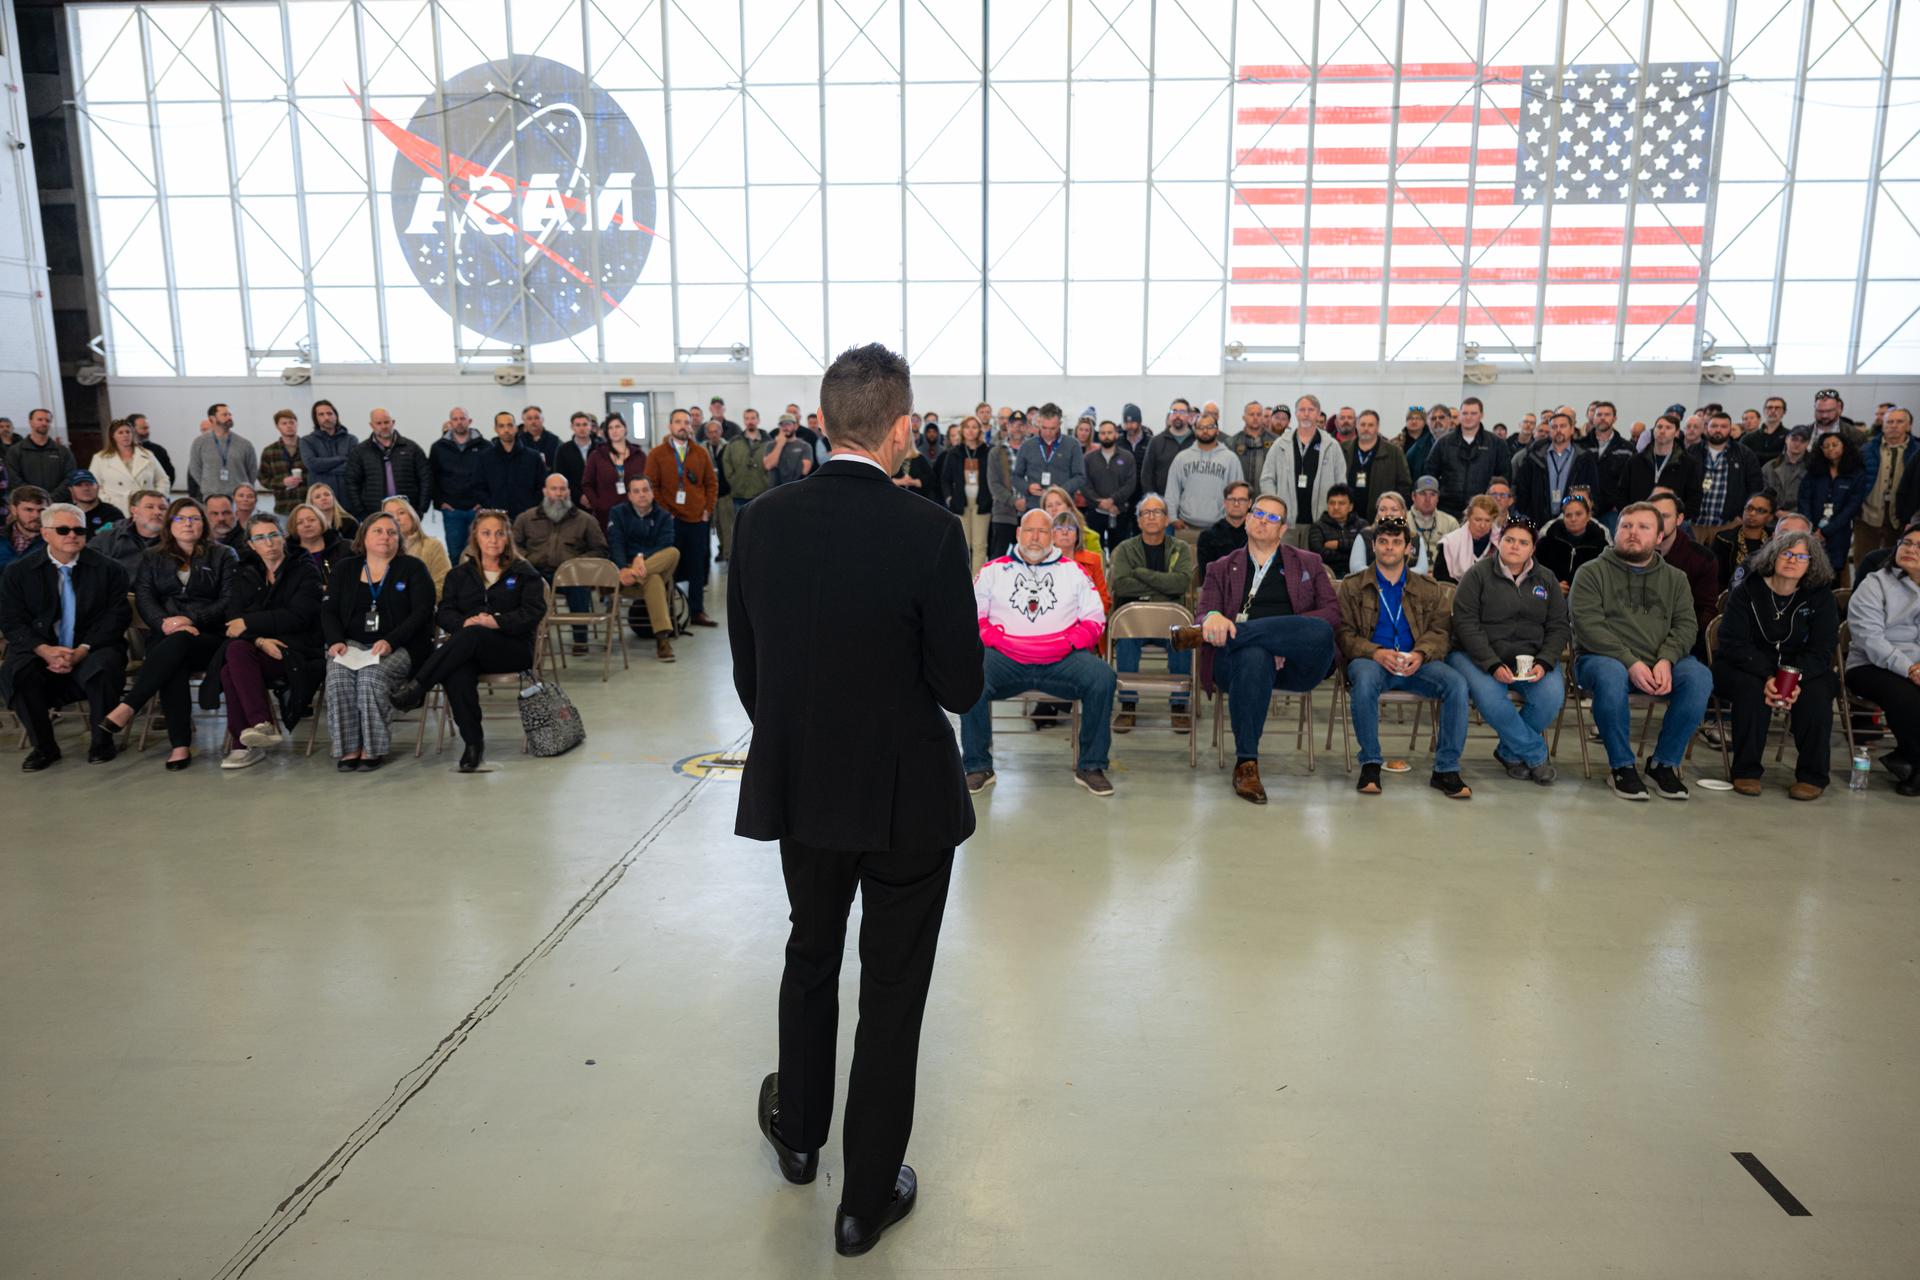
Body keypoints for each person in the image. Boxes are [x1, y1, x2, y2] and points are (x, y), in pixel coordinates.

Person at [725, 344, 982, 1258]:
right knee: (893, 990)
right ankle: (864, 1203)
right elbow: (959, 685)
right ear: (902, 428)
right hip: (907, 800)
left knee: (810, 950)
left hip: (803, 787)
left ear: (822, 422)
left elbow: (750, 673)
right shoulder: (930, 531)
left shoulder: (759, 522)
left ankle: (800, 1137)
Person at [1174, 494, 1338, 803]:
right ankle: (1246, 764)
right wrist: (1212, 617)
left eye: (1272, 518)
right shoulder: (1220, 568)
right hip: (1238, 665)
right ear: (1247, 519)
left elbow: (1331, 613)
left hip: (1296, 663)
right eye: (1258, 513)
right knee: (1255, 655)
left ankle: (1242, 635)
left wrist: (1283, 643)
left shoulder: (1309, 563)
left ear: (1283, 528)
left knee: (1320, 630)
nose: (1263, 520)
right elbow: (1205, 612)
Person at [959, 508, 1116, 797]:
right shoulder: (993, 570)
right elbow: (970, 616)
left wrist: (1070, 643)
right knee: (969, 674)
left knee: (1102, 677)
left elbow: (1095, 618)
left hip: (1063, 659)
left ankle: (1091, 765)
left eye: (1042, 531)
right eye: (1029, 530)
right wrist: (997, 639)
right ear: (1018, 533)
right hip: (1005, 658)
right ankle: (978, 765)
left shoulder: (1074, 571)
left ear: (1052, 536)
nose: (1035, 537)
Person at [1569, 502, 1710, 801]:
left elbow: (1686, 626)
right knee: (1611, 674)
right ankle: (1621, 766)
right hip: (1601, 660)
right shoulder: (1591, 572)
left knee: (1699, 677)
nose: (1633, 532)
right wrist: (1630, 662)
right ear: (1616, 532)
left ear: (1659, 537)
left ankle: (1663, 764)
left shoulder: (1676, 579)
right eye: (1626, 526)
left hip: (1660, 662)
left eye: (1643, 527)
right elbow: (1589, 627)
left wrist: (1667, 659)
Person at [388, 511, 548, 772]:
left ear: (508, 537)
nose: (493, 539)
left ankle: (418, 687)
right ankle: (473, 744)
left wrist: (496, 622)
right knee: (457, 671)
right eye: (486, 533)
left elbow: (533, 612)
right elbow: (444, 613)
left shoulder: (524, 572)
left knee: (472, 636)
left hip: (513, 649)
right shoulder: (459, 575)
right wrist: (464, 623)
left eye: (499, 533)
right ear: (476, 537)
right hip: (468, 649)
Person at [1335, 516, 1472, 798]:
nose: (1389, 547)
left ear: (1408, 548)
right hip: (1372, 661)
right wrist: (1375, 652)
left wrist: (1421, 654)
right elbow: (1344, 634)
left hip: (1417, 663)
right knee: (1363, 679)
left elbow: (1441, 631)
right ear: (1373, 546)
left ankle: (1446, 769)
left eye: (1396, 542)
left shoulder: (1428, 588)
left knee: (1457, 684)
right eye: (1383, 542)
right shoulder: (1352, 586)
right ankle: (1370, 764)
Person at [98, 497, 240, 770]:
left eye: (194, 518)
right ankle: (180, 745)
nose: (188, 524)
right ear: (170, 524)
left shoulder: (224, 554)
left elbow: (228, 600)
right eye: (181, 518)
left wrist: (190, 619)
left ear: (203, 523)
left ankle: (131, 706)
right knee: (173, 661)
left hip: (209, 638)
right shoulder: (153, 556)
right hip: (165, 636)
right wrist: (163, 623)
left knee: (179, 644)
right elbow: (144, 596)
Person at [1, 502, 130, 769]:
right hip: (39, 648)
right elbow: (11, 621)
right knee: (18, 672)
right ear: (45, 533)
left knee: (104, 668)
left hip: (93, 646)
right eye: (63, 530)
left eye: (78, 530)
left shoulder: (110, 569)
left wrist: (82, 649)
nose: (72, 535)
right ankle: (44, 747)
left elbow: (116, 617)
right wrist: (44, 650)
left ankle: (102, 742)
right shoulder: (18, 572)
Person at [1712, 529, 1838, 800]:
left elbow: (1822, 648)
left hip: (1801, 667)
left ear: (1812, 563)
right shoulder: (1747, 590)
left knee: (1817, 694)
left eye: (1801, 556)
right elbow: (1733, 642)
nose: (1793, 560)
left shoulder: (1821, 597)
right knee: (1751, 688)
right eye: (1787, 553)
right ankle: (1745, 771)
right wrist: (1770, 676)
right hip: (1746, 664)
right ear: (1773, 556)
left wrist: (1792, 679)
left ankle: (1812, 776)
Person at [1446, 514, 1568, 784]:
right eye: (1509, 540)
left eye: (1523, 542)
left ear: (1532, 548)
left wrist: (1545, 662)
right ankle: (1536, 754)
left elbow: (1559, 626)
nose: (1515, 546)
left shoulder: (1546, 579)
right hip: (1474, 656)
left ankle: (1509, 751)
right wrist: (1491, 663)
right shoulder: (1477, 575)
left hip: (1530, 658)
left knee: (1551, 697)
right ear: (1499, 542)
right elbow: (1465, 624)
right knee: (1491, 697)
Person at [205, 514, 325, 768]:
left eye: (273, 535)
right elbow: (232, 620)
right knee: (235, 652)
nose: (268, 543)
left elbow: (299, 617)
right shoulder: (243, 572)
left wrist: (249, 624)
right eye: (260, 538)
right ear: (251, 544)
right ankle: (260, 725)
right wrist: (259, 639)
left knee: (230, 667)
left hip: (296, 651)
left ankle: (245, 743)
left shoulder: (305, 570)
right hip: (255, 650)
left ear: (283, 537)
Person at [320, 511, 435, 771]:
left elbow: (422, 612)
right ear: (364, 537)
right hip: (351, 643)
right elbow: (329, 610)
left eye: (392, 532)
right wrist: (336, 640)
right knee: (337, 676)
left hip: (402, 645)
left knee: (370, 677)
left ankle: (372, 749)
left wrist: (391, 641)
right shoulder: (345, 568)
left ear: (399, 539)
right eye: (378, 531)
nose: (386, 536)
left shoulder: (413, 568)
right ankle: (349, 748)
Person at [1107, 494, 1198, 734]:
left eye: (1157, 512)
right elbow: (1121, 586)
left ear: (1166, 519)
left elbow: (1181, 583)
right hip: (1135, 620)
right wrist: (1163, 586)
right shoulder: (1125, 549)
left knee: (1185, 635)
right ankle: (1128, 705)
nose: (1151, 517)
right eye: (1145, 513)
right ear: (1138, 521)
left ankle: (1179, 705)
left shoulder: (1180, 548)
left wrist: (1140, 573)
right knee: (1125, 639)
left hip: (1171, 619)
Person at [1845, 526, 1920, 796]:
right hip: (1869, 665)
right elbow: (1870, 639)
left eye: (1919, 547)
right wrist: (1909, 669)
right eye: (1906, 543)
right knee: (1905, 695)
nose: (1910, 549)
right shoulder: (1875, 584)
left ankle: (1907, 759)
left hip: (1915, 667)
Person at [513, 473, 610, 653]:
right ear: (545, 491)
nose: (559, 493)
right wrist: (528, 559)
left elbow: (601, 550)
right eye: (554, 489)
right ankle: (526, 639)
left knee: (578, 586)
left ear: (569, 492)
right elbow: (513, 546)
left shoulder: (585, 520)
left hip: (570, 576)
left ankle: (580, 639)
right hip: (535, 574)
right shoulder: (526, 518)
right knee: (516, 586)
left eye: (562, 489)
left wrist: (577, 563)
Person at [645, 407, 719, 627]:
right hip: (670, 521)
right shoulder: (657, 454)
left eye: (686, 422)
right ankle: (668, 612)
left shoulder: (700, 453)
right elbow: (652, 485)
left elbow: (711, 483)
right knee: (670, 568)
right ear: (670, 426)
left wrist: (707, 509)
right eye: (678, 422)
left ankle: (697, 611)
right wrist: (665, 512)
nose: (683, 426)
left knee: (698, 567)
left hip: (697, 519)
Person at [608, 476, 682, 662]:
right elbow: (615, 544)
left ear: (652, 493)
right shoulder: (618, 513)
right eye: (636, 491)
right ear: (629, 495)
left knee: (673, 552)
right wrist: (623, 568)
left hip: (646, 567)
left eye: (645, 490)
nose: (642, 495)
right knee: (653, 579)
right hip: (625, 577)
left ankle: (638, 573)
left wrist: (641, 559)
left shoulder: (664, 516)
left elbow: (665, 543)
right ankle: (662, 640)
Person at [1647, 490, 1718, 658]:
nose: (1658, 523)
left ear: (1679, 519)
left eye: (1664, 516)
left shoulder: (1702, 559)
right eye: (1653, 517)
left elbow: (1705, 611)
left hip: (1682, 643)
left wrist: (1677, 642)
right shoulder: (1631, 553)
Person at [1260, 396, 1349, 525]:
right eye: (1302, 410)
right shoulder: (1280, 444)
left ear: (1318, 414)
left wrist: (1335, 512)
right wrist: (1275, 507)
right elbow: (1267, 479)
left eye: (1311, 410)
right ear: (1296, 413)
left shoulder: (1331, 446)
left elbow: (1341, 483)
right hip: (1285, 523)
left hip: (1322, 523)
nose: (1306, 414)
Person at [1686, 409, 1766, 539]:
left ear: (1730, 429)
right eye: (1714, 426)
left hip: (1729, 523)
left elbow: (1755, 486)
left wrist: (1741, 515)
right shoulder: (1692, 451)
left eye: (1723, 426)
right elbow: (1681, 482)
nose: (1718, 430)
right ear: (1706, 428)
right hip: (1694, 523)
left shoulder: (1744, 454)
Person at [1800, 431, 1867, 584]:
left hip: (1839, 531)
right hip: (1811, 530)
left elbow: (1851, 507)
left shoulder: (1857, 474)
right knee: (1809, 568)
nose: (1830, 448)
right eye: (1826, 446)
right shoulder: (1813, 472)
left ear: (1844, 446)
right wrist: (1811, 528)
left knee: (1833, 572)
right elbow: (1804, 500)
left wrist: (1825, 531)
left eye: (1835, 445)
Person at [1855, 407, 1915, 573]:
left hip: (1902, 519)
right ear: (1883, 425)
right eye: (1889, 422)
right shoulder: (1866, 450)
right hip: (1867, 515)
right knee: (1863, 561)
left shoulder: (1917, 451)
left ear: (1908, 426)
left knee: (1897, 565)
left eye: (1899, 421)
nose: (1894, 425)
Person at [1427, 397, 1509, 518]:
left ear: (1481, 415)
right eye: (1465, 413)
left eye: (1473, 413)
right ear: (1460, 415)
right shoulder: (1443, 443)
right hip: (1446, 509)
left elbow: (1504, 477)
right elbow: (1430, 474)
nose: (1468, 417)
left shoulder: (1496, 444)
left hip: (1483, 510)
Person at [340, 408, 430, 517]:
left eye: (387, 422)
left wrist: (421, 509)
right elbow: (351, 483)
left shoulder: (411, 448)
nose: (383, 426)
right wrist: (361, 512)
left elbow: (426, 478)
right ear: (372, 425)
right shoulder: (360, 451)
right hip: (374, 514)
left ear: (393, 422)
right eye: (379, 423)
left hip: (407, 513)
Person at [1513, 411, 1599, 525]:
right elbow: (1522, 489)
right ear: (1550, 431)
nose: (1558, 430)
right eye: (1554, 427)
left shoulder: (1584, 458)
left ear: (1572, 429)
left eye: (1563, 426)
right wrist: (1528, 514)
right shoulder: (1534, 456)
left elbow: (1593, 491)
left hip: (1572, 521)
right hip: (1538, 520)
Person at [429, 407, 488, 556]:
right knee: (455, 555)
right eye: (455, 419)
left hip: (478, 510)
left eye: (462, 418)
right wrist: (440, 502)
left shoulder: (485, 446)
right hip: (451, 510)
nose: (459, 422)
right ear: (450, 422)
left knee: (480, 554)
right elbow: (432, 477)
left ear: (470, 421)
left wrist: (485, 502)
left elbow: (492, 476)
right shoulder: (438, 447)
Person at [939, 417, 995, 573]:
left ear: (979, 430)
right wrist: (949, 499)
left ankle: (976, 580)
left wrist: (991, 497)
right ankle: (964, 579)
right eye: (967, 427)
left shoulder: (987, 451)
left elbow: (995, 477)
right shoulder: (954, 453)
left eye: (974, 427)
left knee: (980, 545)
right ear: (962, 430)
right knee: (964, 544)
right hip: (960, 502)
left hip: (982, 502)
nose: (971, 430)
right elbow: (945, 479)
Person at [1013, 403, 1088, 512]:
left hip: (1062, 507)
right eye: (1044, 428)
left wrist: (1062, 490)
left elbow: (1080, 477)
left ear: (1060, 424)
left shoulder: (1073, 445)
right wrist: (1027, 487)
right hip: (1035, 506)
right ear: (1038, 423)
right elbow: (1016, 477)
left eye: (1052, 428)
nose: (1048, 432)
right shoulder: (1027, 446)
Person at [718, 413, 772, 556]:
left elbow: (774, 464)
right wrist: (733, 480)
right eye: (747, 419)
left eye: (753, 418)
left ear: (758, 420)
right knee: (741, 529)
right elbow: (726, 462)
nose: (750, 421)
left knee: (761, 529)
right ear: (744, 421)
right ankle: (743, 558)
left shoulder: (769, 442)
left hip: (762, 493)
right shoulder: (734, 442)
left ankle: (760, 557)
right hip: (739, 494)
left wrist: (767, 481)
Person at [476, 411, 547, 520]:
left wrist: (530, 506)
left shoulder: (533, 457)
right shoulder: (485, 457)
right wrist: (492, 506)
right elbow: (478, 487)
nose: (506, 430)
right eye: (501, 426)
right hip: (497, 517)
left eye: (510, 425)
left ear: (516, 428)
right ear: (495, 429)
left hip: (527, 517)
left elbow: (542, 486)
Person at [584, 414, 648, 534]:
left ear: (625, 428)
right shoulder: (597, 455)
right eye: (610, 428)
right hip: (606, 514)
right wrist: (598, 505)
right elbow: (587, 483)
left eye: (618, 426)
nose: (614, 431)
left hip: (636, 512)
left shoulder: (639, 455)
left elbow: (648, 482)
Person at [1625, 415, 1700, 515]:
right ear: (1653, 431)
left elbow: (1694, 497)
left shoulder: (1689, 464)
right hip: (1638, 517)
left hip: (1673, 520)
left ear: (1677, 433)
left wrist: (1678, 517)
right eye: (1659, 427)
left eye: (1668, 427)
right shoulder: (1635, 461)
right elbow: (1622, 492)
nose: (1662, 431)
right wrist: (1631, 514)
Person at [1082, 419, 1138, 552]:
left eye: (1109, 432)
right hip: (1095, 513)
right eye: (1102, 433)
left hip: (1119, 512)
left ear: (1116, 434)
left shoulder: (1127, 457)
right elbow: (1084, 484)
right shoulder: (1089, 458)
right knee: (1094, 552)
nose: (1106, 436)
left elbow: (1130, 484)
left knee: (1119, 552)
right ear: (1098, 435)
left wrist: (1113, 500)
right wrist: (1100, 502)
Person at [90, 418, 166, 514]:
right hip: (117, 507)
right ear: (112, 436)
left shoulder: (147, 455)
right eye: (120, 433)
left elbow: (162, 479)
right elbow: (94, 484)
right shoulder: (100, 458)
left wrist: (158, 498)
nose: (125, 435)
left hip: (146, 505)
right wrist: (107, 502)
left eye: (128, 432)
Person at [382, 496, 453, 597]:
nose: (396, 518)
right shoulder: (376, 549)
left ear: (412, 516)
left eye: (401, 513)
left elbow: (444, 585)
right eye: (389, 515)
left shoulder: (433, 546)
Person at [1537, 492, 1609, 588]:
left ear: (1588, 516)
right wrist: (1552, 586)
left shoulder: (1601, 546)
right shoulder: (1546, 543)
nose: (1573, 519)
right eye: (1568, 515)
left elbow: (1605, 578)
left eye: (1578, 514)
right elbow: (1536, 573)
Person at [186, 403, 258, 498]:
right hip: (210, 497)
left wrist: (243, 491)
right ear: (212, 418)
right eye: (224, 415)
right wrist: (208, 488)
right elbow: (195, 469)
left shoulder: (245, 444)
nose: (229, 417)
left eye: (230, 414)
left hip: (238, 499)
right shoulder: (199, 442)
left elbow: (252, 472)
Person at [4, 408, 76, 495]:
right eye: (40, 420)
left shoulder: (63, 452)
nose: (44, 423)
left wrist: (52, 498)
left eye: (47, 420)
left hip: (57, 501)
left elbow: (70, 477)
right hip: (27, 501)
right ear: (30, 422)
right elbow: (12, 478)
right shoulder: (15, 451)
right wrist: (34, 497)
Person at [1711, 494, 1776, 589]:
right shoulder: (1723, 539)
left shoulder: (1774, 541)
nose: (1752, 513)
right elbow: (1715, 577)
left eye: (1760, 510)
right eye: (1749, 508)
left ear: (1770, 517)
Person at [255, 408, 309, 514]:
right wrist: (282, 482)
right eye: (284, 423)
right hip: (284, 507)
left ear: (297, 424)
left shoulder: (308, 447)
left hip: (308, 505)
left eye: (291, 422)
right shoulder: (269, 451)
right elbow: (263, 478)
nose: (288, 426)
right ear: (277, 426)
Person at [101, 488, 168, 573]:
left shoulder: (176, 539)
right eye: (150, 507)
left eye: (163, 508)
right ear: (134, 510)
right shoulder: (110, 537)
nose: (157, 512)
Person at [1436, 494, 1499, 584]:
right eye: (1478, 520)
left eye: (1487, 520)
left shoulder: (1500, 543)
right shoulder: (1450, 543)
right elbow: (1440, 579)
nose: (1482, 525)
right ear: (1468, 517)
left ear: (1493, 520)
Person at [984, 413, 1024, 555]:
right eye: (1013, 425)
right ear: (1007, 426)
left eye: (1020, 425)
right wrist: (1014, 501)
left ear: (1026, 427)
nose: (1017, 428)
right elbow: (993, 483)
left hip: (1029, 512)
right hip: (1003, 512)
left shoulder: (1033, 450)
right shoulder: (996, 452)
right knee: (998, 557)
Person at [299, 400, 356, 496]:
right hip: (321, 498)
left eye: (329, 413)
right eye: (321, 414)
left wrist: (322, 470)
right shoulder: (306, 441)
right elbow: (312, 465)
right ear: (315, 418)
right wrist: (342, 458)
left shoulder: (351, 439)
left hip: (348, 496)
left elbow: (354, 467)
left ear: (336, 416)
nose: (326, 417)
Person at [287, 501, 347, 591]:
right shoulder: (287, 555)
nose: (307, 525)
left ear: (321, 521)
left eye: (311, 520)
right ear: (294, 527)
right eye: (300, 522)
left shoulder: (346, 547)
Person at [1197, 481, 1253, 573]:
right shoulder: (1208, 536)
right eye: (1232, 499)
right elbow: (1207, 574)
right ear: (1225, 502)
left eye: (1242, 500)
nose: (1236, 504)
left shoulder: (1257, 535)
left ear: (1250, 503)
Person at [1143, 399, 1195, 496]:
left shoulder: (1197, 441)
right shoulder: (1156, 442)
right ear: (1169, 415)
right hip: (1162, 500)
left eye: (1182, 412)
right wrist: (1153, 499)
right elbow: (1146, 475)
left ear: (1189, 416)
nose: (1177, 415)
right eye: (1174, 411)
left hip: (1192, 500)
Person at [1309, 484, 1365, 568]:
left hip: (1357, 571)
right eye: (1332, 503)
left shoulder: (1362, 524)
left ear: (1350, 507)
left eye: (1341, 503)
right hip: (1328, 571)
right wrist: (1352, 555)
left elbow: (1367, 547)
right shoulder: (1317, 527)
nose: (1336, 507)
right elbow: (1319, 555)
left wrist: (1338, 544)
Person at [1763, 426, 1812, 513]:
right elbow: (1762, 493)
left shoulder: (1814, 469)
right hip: (1772, 515)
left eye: (1802, 441)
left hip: (1802, 517)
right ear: (1786, 440)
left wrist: (1794, 514)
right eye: (1794, 439)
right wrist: (1777, 511)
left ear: (1807, 444)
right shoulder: (1769, 467)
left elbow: (1815, 497)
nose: (1797, 444)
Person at [63, 471, 123, 539]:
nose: (86, 488)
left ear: (98, 487)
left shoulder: (112, 514)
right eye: (79, 485)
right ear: (71, 490)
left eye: (90, 484)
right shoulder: (64, 514)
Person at [1, 484, 46, 571]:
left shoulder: (56, 540)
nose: (36, 516)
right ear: (14, 510)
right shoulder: (2, 538)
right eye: (29, 510)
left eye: (42, 510)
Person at [518, 405, 561, 471]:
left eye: (536, 418)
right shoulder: (518, 441)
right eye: (529, 418)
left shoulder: (554, 440)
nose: (533, 421)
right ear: (524, 420)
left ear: (542, 419)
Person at [1398, 406, 1436, 478]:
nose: (1414, 421)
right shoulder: (1396, 442)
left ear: (1425, 422)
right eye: (1410, 418)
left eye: (1418, 418)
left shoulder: (1433, 441)